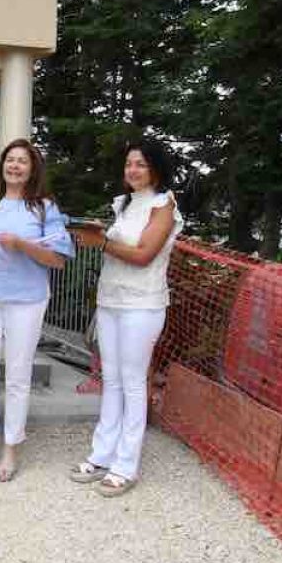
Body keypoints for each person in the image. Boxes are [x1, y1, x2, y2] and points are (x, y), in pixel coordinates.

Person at [0, 138, 74, 482]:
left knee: (18, 375)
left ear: (33, 169)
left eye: (22, 161)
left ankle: (11, 445)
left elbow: (58, 260)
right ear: (1, 166)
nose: (15, 166)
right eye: (10, 160)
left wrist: (22, 244)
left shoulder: (45, 208)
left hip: (27, 300)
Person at [69, 140, 183, 497]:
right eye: (129, 163)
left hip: (143, 304)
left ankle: (127, 463)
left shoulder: (164, 205)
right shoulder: (124, 204)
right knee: (112, 379)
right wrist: (94, 236)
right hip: (111, 301)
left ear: (156, 169)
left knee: (134, 381)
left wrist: (99, 242)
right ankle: (102, 453)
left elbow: (144, 255)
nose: (132, 170)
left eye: (141, 164)